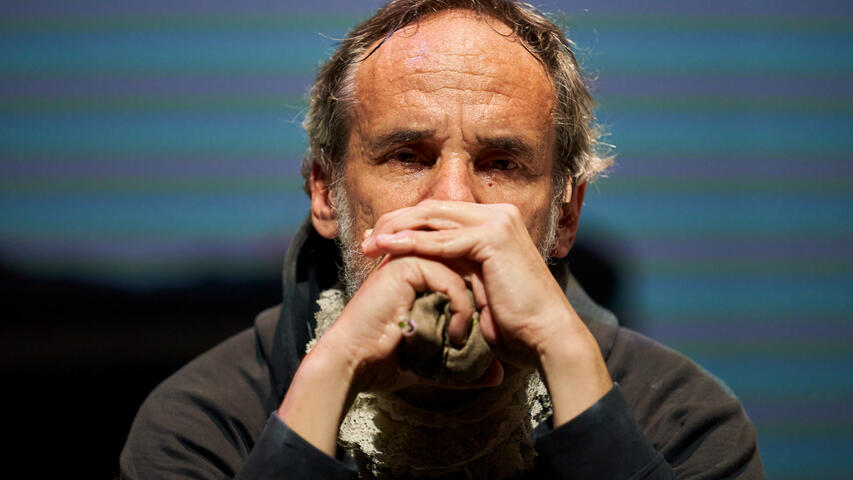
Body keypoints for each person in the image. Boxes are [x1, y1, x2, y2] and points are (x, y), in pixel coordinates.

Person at [120, 0, 764, 478]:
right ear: (324, 193)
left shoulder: (685, 422)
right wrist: (332, 373)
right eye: (406, 156)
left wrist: (567, 354)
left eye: (501, 164)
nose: (452, 203)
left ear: (566, 217)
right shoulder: (202, 423)